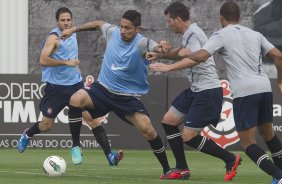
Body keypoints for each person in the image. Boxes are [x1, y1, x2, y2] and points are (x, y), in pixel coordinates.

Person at [162, 2, 282, 184]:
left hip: (244, 92)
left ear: (221, 18)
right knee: (269, 135)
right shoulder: (255, 34)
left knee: (248, 143)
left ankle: (279, 176)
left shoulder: (221, 35)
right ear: (239, 17)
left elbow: (201, 56)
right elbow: (278, 55)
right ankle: (279, 173)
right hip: (264, 87)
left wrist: (188, 53)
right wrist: (280, 80)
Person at [60, 10, 173, 179]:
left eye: (127, 28)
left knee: (148, 130)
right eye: (121, 26)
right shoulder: (112, 33)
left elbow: (156, 47)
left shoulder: (142, 43)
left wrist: (162, 45)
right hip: (102, 90)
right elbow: (98, 23)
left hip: (126, 98)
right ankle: (76, 146)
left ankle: (167, 169)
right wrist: (72, 29)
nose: (122, 31)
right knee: (75, 99)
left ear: (137, 29)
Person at [17, 7, 124, 167]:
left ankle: (110, 156)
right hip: (56, 89)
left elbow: (93, 26)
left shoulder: (73, 33)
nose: (66, 23)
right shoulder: (53, 38)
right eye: (63, 20)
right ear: (57, 22)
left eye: (68, 20)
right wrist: (65, 62)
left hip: (75, 85)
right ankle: (28, 134)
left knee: (92, 120)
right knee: (46, 125)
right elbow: (43, 60)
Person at [147, 2, 241, 181]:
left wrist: (169, 68)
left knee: (189, 136)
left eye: (169, 21)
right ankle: (181, 168)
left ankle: (230, 158)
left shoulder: (193, 33)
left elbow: (195, 59)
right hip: (196, 90)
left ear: (178, 19)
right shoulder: (189, 34)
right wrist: (160, 55)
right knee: (168, 121)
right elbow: (183, 52)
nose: (168, 24)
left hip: (208, 91)